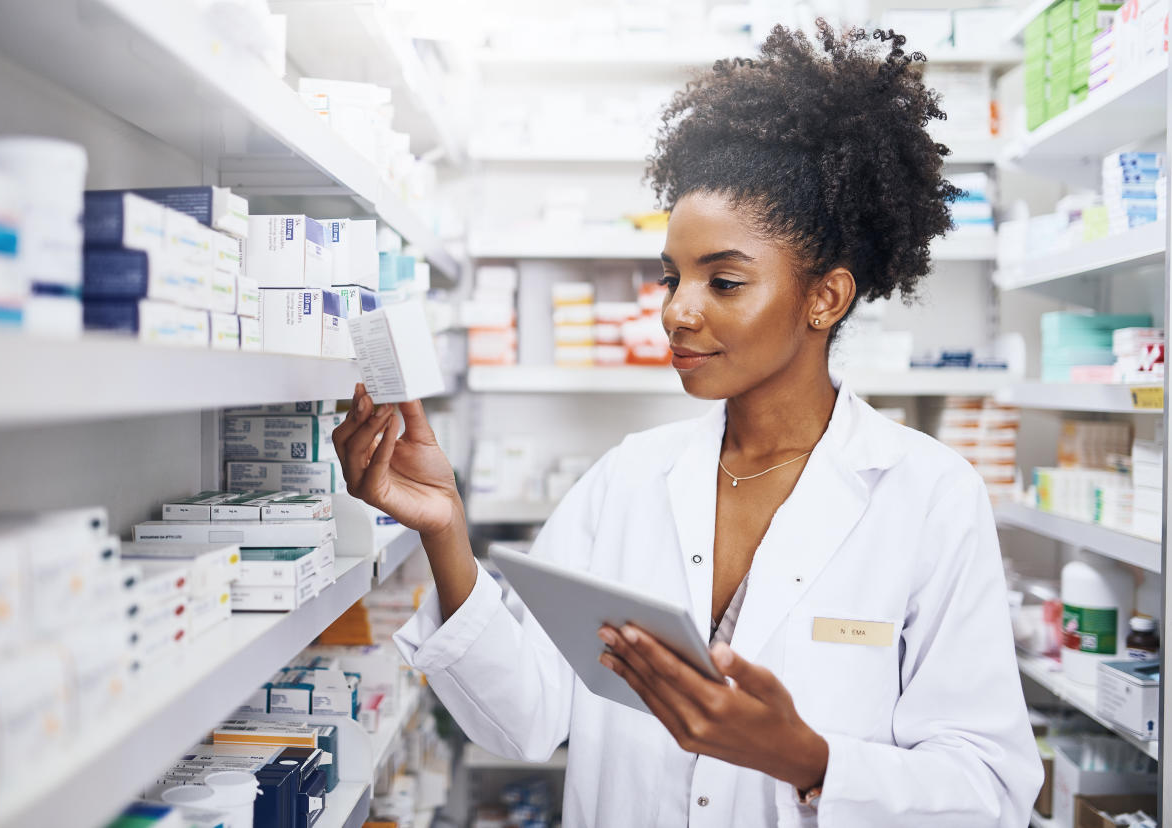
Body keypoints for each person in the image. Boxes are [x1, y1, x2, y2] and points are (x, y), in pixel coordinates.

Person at [333, 21, 1042, 827]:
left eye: (725, 282)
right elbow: (526, 719)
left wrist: (807, 760)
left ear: (826, 297)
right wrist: (444, 529)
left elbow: (989, 791)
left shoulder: (928, 497)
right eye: (672, 277)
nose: (677, 311)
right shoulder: (628, 479)